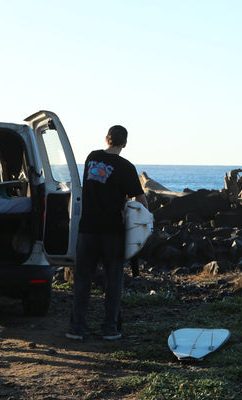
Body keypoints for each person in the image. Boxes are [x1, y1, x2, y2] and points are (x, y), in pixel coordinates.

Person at [66, 125, 148, 340]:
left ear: (107, 139)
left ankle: (77, 328)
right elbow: (140, 199)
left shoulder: (91, 158)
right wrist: (146, 223)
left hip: (88, 229)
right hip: (113, 231)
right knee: (113, 281)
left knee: (83, 279)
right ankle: (110, 329)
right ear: (125, 143)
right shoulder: (126, 167)